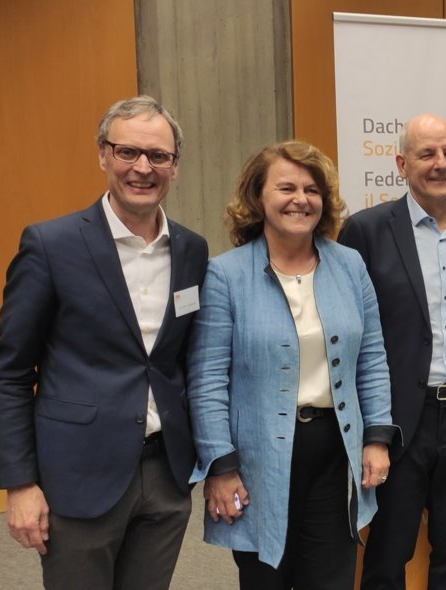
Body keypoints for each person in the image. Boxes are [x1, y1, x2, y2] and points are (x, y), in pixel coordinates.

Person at [0, 95, 208, 588]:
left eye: (158, 156)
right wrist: (20, 483)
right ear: (103, 155)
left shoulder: (192, 249)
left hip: (166, 474)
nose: (143, 168)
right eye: (128, 152)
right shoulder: (50, 245)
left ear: (175, 166)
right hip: (79, 474)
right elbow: (10, 374)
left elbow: (183, 360)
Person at [186, 141, 396, 589]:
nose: (300, 199)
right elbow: (207, 381)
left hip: (335, 454)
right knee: (266, 578)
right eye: (286, 188)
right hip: (257, 460)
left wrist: (377, 437)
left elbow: (372, 358)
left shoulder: (350, 266)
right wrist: (220, 466)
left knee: (332, 578)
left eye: (311, 189)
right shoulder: (226, 274)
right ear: (257, 197)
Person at [339, 112, 446, 590]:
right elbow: (351, 336)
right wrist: (369, 430)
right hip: (397, 422)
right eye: (427, 154)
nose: (441, 163)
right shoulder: (366, 231)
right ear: (401, 164)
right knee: (387, 555)